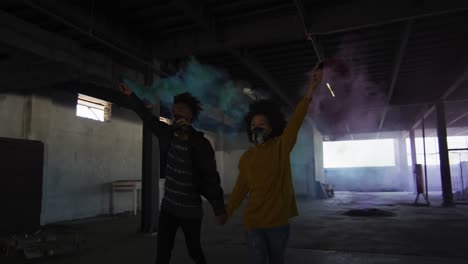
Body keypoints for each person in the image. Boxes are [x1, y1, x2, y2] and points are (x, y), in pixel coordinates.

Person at [222, 69, 323, 264]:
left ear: (272, 126)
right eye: (253, 124)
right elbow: (240, 188)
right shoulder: (247, 157)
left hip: (278, 223)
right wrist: (228, 210)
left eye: (262, 123)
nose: (257, 127)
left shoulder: (281, 147)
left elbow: (295, 122)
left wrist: (310, 91)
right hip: (253, 222)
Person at [119, 83, 227, 264]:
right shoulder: (167, 133)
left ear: (191, 115)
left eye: (182, 110)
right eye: (174, 111)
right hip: (169, 209)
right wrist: (132, 96)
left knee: (194, 251)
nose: (176, 114)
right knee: (162, 252)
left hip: (190, 211)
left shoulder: (201, 144)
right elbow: (147, 117)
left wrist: (219, 209)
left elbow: (211, 178)